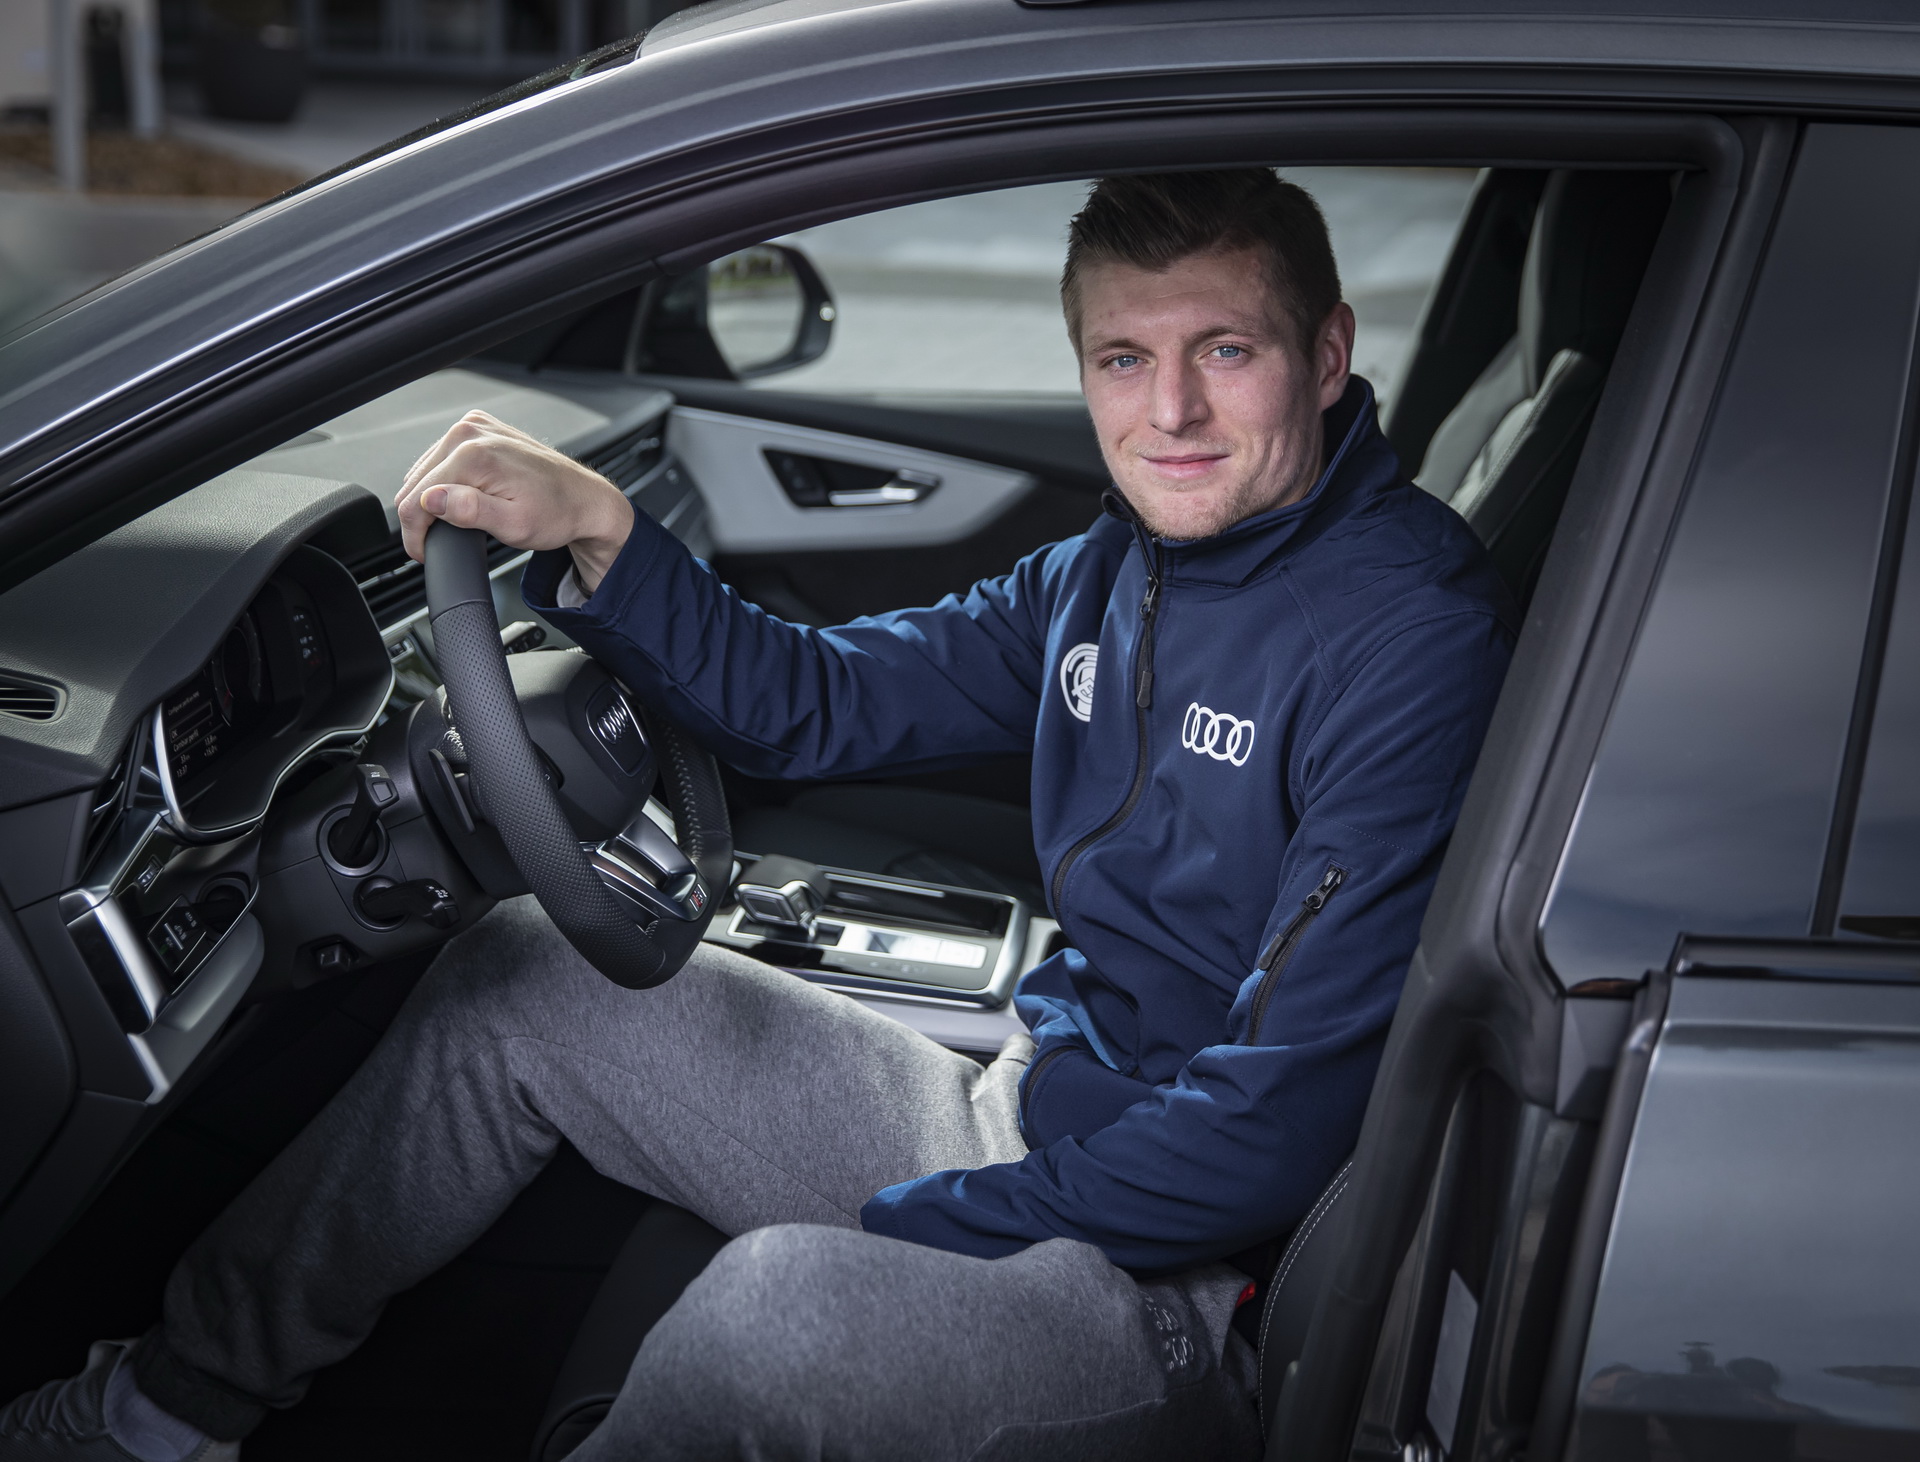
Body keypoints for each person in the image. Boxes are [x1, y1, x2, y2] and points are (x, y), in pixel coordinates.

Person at [2, 169, 1513, 1462]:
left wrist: (935, 1216)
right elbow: (819, 700)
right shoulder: (1114, 566)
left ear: (1325, 354)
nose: (1169, 408)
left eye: (1225, 350)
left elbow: (1278, 1126)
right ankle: (163, 1410)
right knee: (528, 972)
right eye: (1123, 359)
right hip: (1044, 1111)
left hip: (1197, 1286)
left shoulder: (1402, 634)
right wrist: (606, 530)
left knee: (765, 1313)